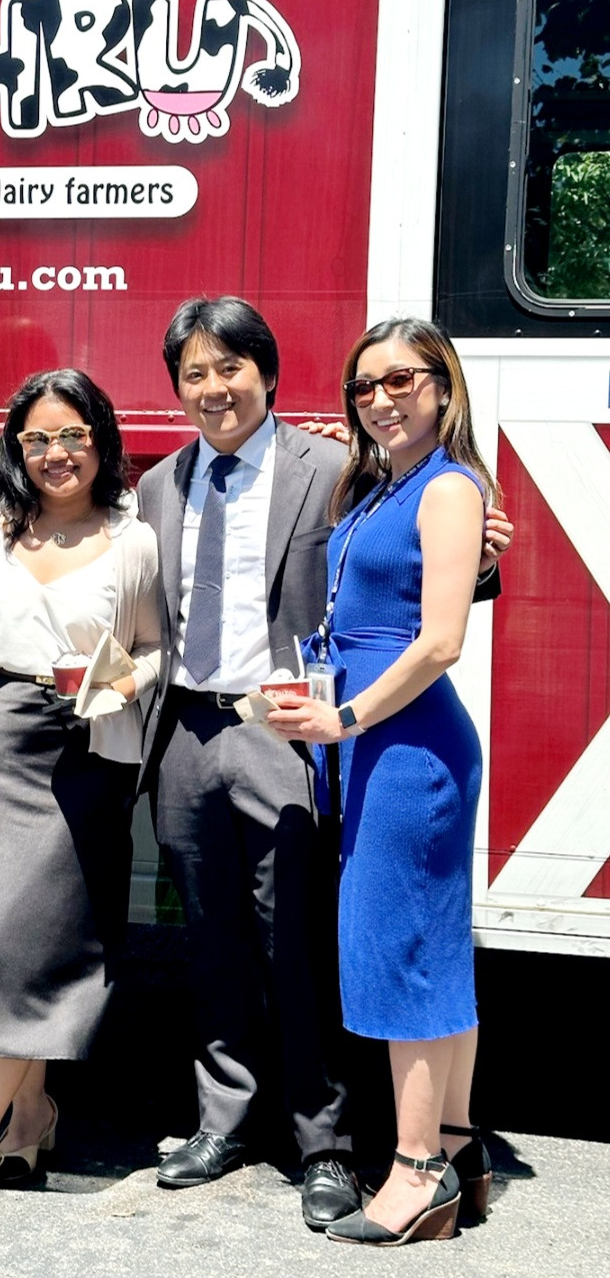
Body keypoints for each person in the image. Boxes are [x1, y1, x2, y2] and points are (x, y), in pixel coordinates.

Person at [136, 297, 510, 1230]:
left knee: (300, 940)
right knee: (212, 936)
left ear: (265, 373)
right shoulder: (158, 485)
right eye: (193, 373)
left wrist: (486, 557)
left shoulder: (335, 468)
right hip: (186, 727)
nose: (213, 388)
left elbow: (425, 573)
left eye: (230, 367)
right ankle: (222, 1120)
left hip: (295, 731)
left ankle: (326, 1145)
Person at [268, 317, 497, 1246]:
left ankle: (413, 1173)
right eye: (363, 385)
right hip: (376, 744)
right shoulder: (385, 485)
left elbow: (440, 640)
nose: (379, 399)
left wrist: (345, 718)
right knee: (434, 954)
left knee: (397, 958)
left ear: (443, 386)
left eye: (402, 380)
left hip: (403, 748)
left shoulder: (444, 487)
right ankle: (456, 1146)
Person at [0, 368, 160, 1219]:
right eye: (36, 438)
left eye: (71, 435)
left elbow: (155, 649)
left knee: (51, 941)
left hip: (88, 750)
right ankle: (29, 1109)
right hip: (5, 738)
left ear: (100, 439)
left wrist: (121, 681)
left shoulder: (132, 535)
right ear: (15, 447)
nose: (55, 453)